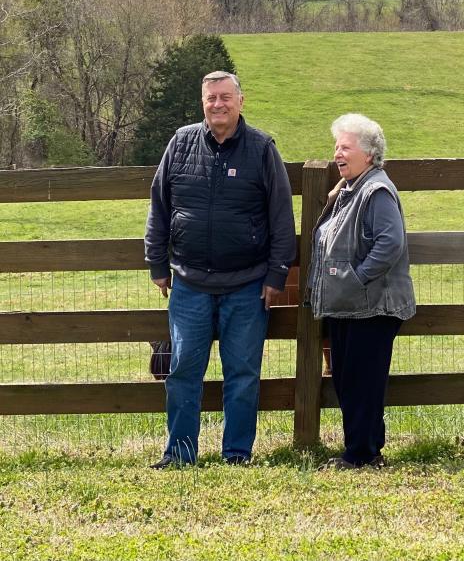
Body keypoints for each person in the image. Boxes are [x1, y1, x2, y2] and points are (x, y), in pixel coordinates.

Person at [144, 71, 296, 467]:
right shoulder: (181, 143)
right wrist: (157, 262)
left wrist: (276, 276)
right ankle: (179, 453)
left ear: (241, 101)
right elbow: (159, 206)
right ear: (203, 103)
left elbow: (282, 218)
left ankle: (237, 454)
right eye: (211, 98)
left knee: (242, 375)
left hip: (247, 285)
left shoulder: (262, 149)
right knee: (182, 373)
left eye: (225, 97)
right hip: (189, 283)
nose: (218, 105)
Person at [307, 113, 415, 469]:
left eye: (345, 147)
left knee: (362, 382)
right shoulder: (354, 189)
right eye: (336, 146)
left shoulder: (377, 190)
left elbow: (390, 242)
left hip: (371, 306)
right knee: (349, 378)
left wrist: (356, 278)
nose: (338, 153)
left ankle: (363, 453)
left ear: (369, 153)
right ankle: (361, 450)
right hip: (351, 304)